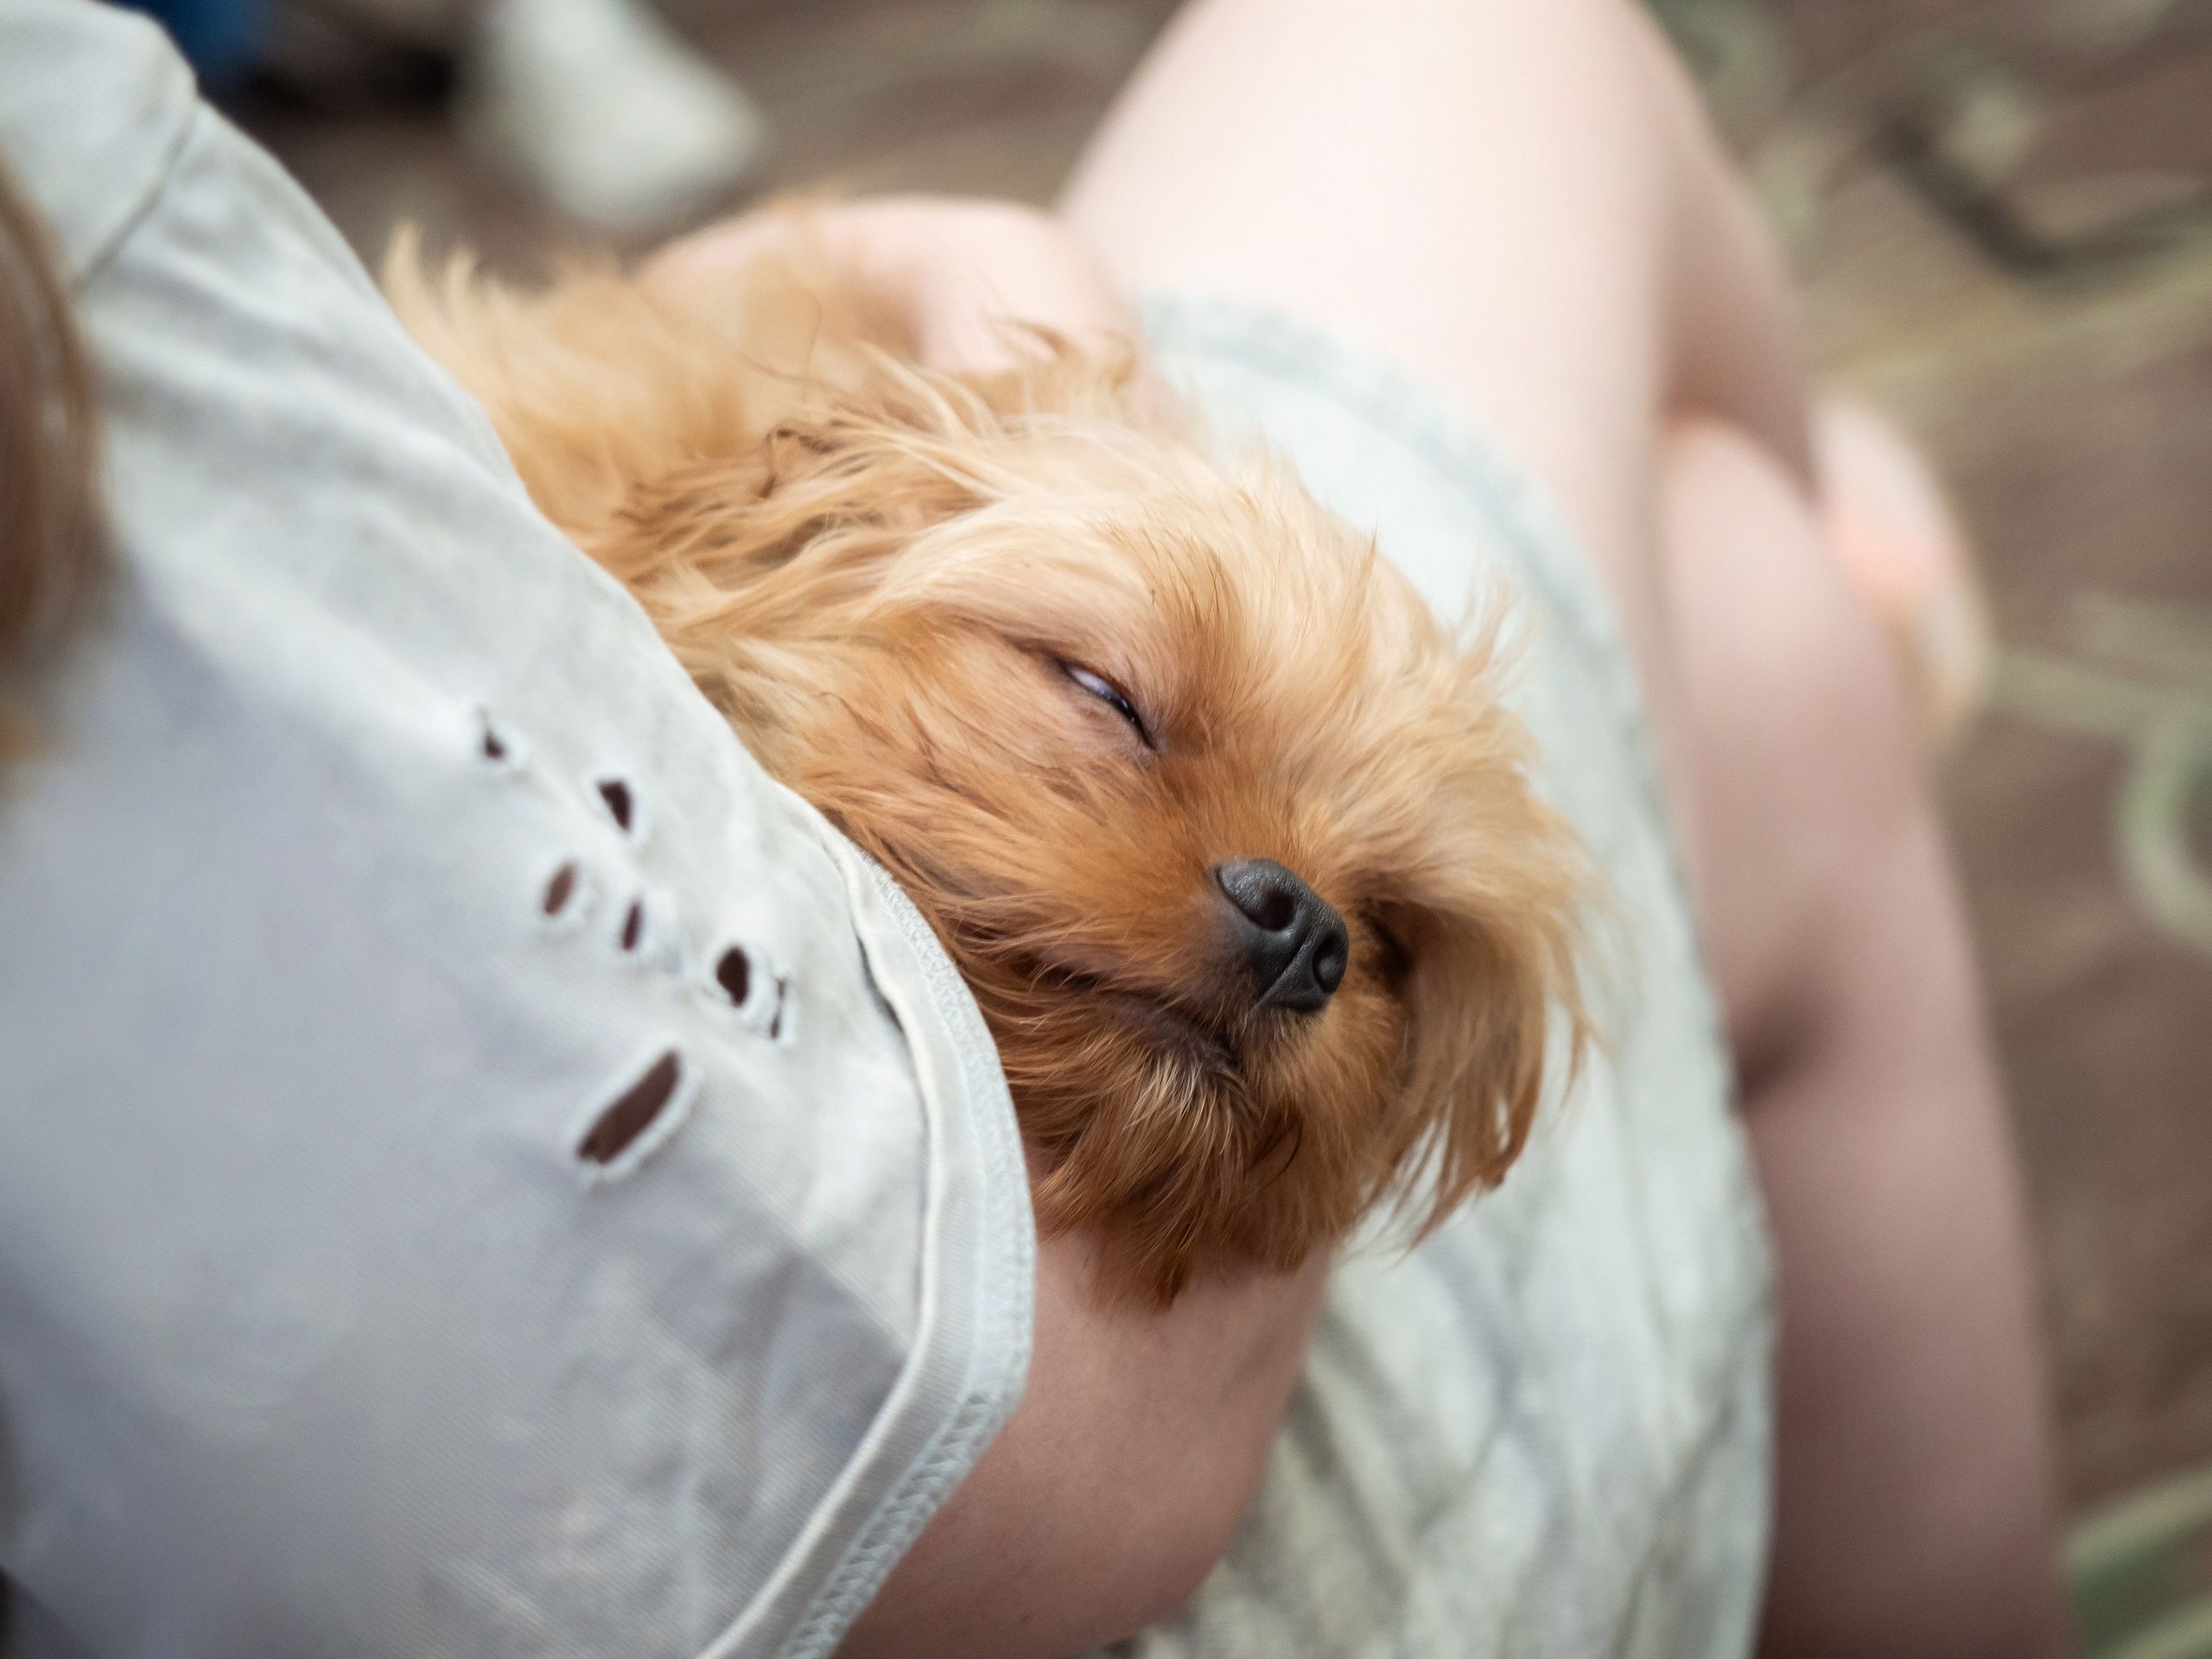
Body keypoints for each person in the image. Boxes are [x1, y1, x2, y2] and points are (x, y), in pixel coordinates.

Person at [0, 3, 2068, 1658]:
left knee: (1745, 625)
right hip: (1051, 1514)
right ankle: (1822, 545)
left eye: (1375, 941)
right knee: (1497, 54)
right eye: (1108, 711)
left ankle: (1799, 569)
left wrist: (937, 292)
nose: (1293, 929)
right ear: (700, 558)